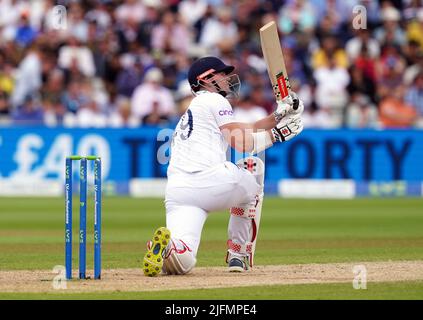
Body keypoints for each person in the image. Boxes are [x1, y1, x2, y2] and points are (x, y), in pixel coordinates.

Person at [143, 56, 304, 276]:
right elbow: (241, 141)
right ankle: (238, 254)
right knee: (253, 168)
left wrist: (279, 115)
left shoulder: (193, 110)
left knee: (185, 260)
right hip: (210, 180)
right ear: (206, 79)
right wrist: (277, 135)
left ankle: (169, 248)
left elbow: (247, 127)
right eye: (222, 74)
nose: (228, 78)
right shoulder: (214, 100)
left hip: (178, 192)